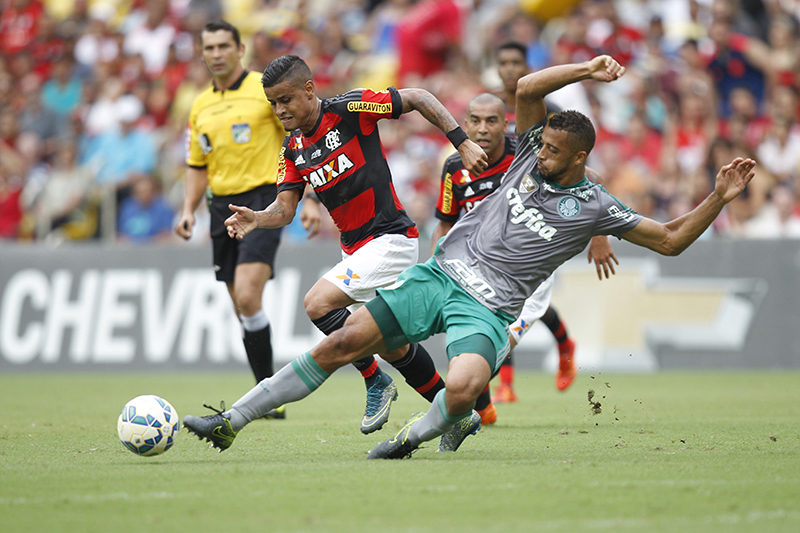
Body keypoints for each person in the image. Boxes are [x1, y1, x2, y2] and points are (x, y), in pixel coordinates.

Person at [183, 55, 756, 460]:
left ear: (580, 157)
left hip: (488, 308)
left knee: (463, 393)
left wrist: (718, 198)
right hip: (439, 275)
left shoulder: (596, 205)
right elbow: (529, 88)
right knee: (338, 342)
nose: (538, 154)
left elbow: (673, 238)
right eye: (541, 144)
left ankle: (413, 437)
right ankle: (232, 421)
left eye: (554, 150)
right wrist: (585, 68)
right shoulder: (528, 157)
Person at [191, 54, 488, 440]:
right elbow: (284, 209)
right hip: (357, 251)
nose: (280, 110)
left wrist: (461, 142)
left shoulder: (350, 109)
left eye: (286, 100)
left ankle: (374, 379)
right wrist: (257, 218)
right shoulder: (292, 148)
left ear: (309, 89)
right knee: (392, 344)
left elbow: (416, 96)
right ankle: (457, 416)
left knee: (317, 303)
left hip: (390, 240)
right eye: (273, 104)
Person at [431, 92, 618, 424]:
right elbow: (445, 222)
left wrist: (600, 235)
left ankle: (477, 402)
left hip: (528, 268)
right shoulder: (455, 167)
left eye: (492, 121)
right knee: (471, 338)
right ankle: (484, 407)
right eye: (475, 121)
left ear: (507, 125)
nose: (483, 129)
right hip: (477, 268)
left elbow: (593, 180)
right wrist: (437, 261)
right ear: (465, 125)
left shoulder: (531, 156)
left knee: (496, 339)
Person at [175, 21, 298, 418]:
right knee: (243, 307)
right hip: (219, 206)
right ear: (202, 52)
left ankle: (267, 397)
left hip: (263, 199)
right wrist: (187, 210)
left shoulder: (263, 89)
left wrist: (306, 198)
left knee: (247, 294)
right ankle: (267, 397)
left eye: (223, 45)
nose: (216, 53)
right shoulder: (199, 104)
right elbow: (197, 164)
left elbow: (298, 135)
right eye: (208, 47)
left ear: (239, 49)